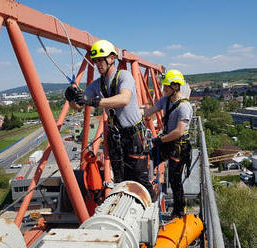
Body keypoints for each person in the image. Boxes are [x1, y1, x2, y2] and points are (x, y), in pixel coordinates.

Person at [64, 40, 156, 201]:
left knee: (141, 181)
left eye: (101, 59)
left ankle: (151, 205)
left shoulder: (124, 76)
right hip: (116, 138)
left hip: (133, 136)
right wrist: (72, 98)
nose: (98, 64)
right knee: (120, 180)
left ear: (112, 58)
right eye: (96, 61)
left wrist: (95, 102)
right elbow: (78, 106)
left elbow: (124, 99)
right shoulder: (97, 84)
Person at [143, 69, 193, 218]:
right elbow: (150, 111)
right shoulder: (165, 100)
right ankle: (148, 192)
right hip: (167, 141)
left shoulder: (184, 107)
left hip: (179, 146)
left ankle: (178, 211)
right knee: (146, 159)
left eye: (166, 87)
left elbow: (178, 131)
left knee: (174, 179)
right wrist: (138, 116)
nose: (163, 89)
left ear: (175, 87)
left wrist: (159, 140)